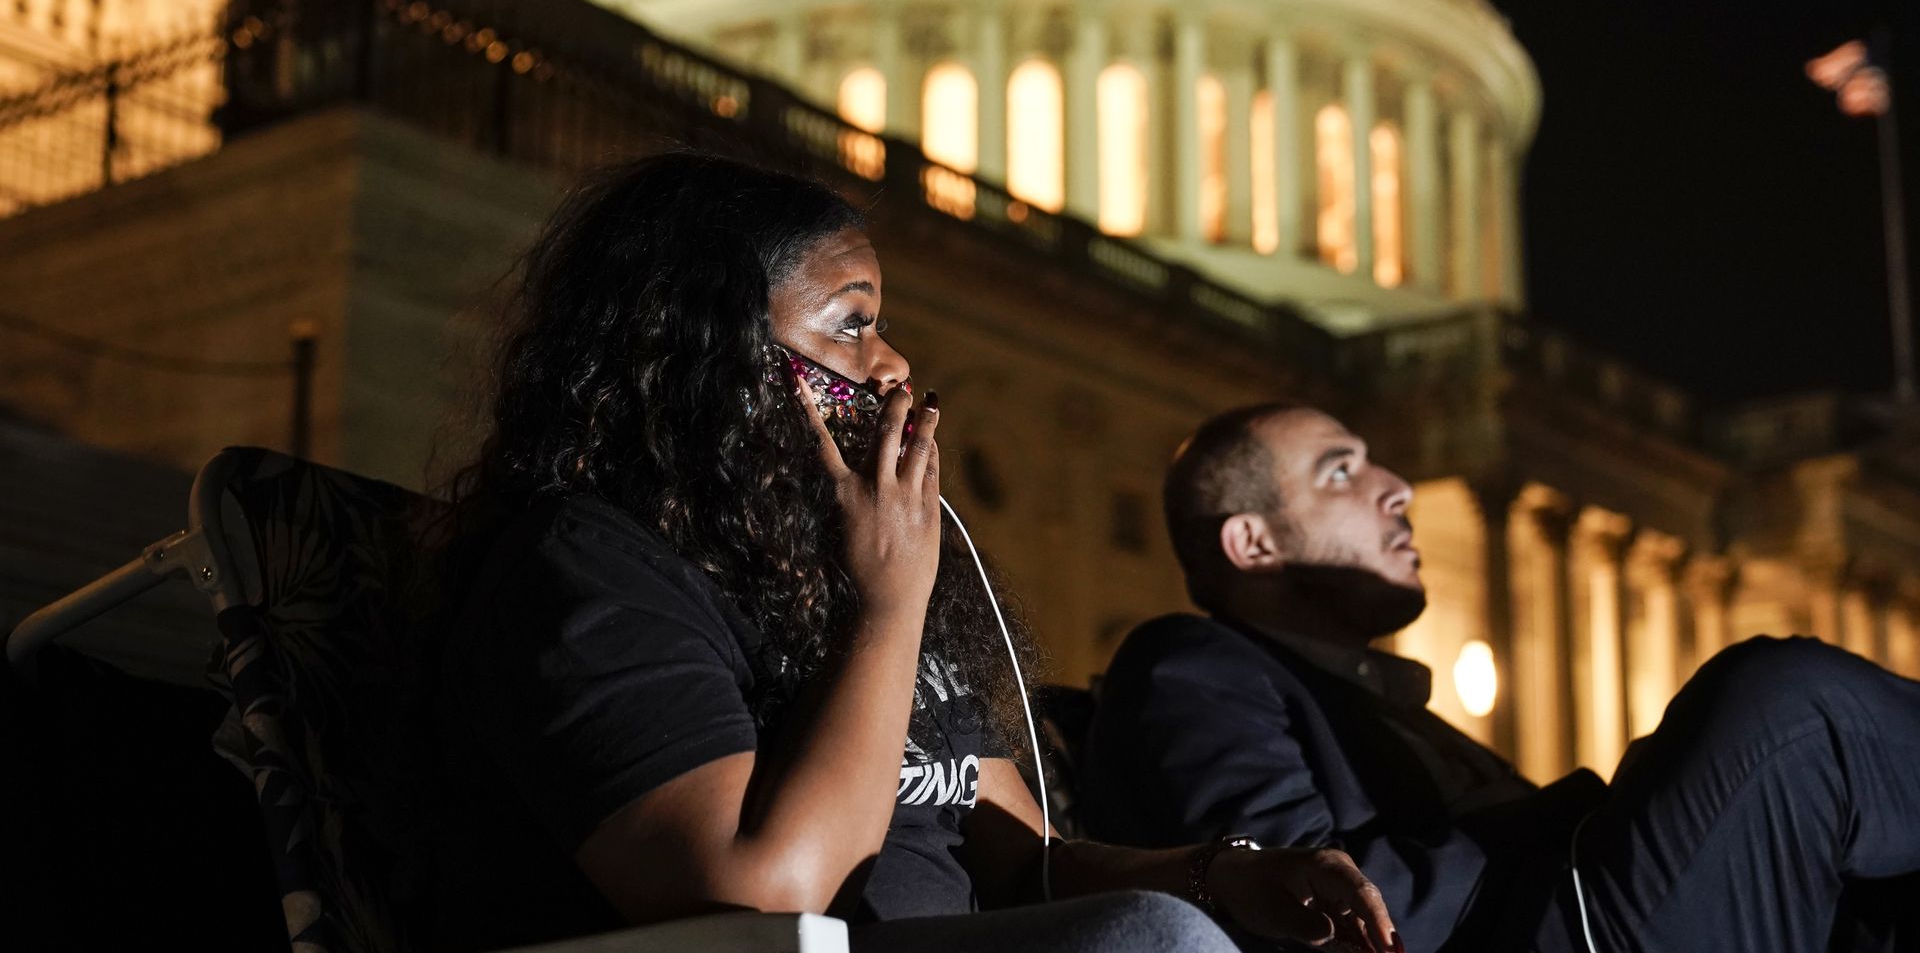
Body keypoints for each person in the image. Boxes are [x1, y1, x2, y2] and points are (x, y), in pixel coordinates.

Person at [427, 155, 1401, 953]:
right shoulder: (591, 572)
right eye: (852, 324)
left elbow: (1027, 859)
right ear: (705, 350)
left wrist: (1221, 871)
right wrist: (888, 605)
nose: (892, 364)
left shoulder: (812, 580)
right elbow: (757, 893)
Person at [1077, 401, 1920, 952]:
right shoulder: (1187, 664)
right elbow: (1313, 898)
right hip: (1533, 936)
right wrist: (1585, 819)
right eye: (1341, 472)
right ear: (1252, 543)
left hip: (1574, 914)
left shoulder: (1369, 695)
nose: (1398, 488)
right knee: (1783, 709)